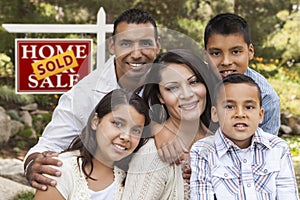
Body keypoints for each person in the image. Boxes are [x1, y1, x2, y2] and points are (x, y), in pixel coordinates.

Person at [24, 8, 161, 191]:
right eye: (126, 43)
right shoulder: (83, 93)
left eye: (145, 43)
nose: (136, 54)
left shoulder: (172, 82)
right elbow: (49, 144)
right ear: (112, 46)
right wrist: (33, 164)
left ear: (157, 45)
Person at [120, 49, 219, 199]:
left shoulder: (222, 143)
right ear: (160, 96)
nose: (187, 94)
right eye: (173, 88)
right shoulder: (153, 154)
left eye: (193, 82)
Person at [190, 74, 299, 200]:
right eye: (229, 107)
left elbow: (288, 195)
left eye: (249, 107)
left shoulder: (278, 148)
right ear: (215, 114)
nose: (240, 114)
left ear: (260, 115)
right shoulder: (203, 151)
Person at [34, 88, 151, 200]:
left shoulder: (130, 177)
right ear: (95, 122)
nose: (126, 137)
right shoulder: (61, 171)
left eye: (136, 130)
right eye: (118, 123)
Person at [203, 13, 280, 135]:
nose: (226, 62)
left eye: (235, 52)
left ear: (250, 52)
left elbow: (267, 149)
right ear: (206, 55)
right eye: (216, 53)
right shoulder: (194, 82)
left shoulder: (267, 98)